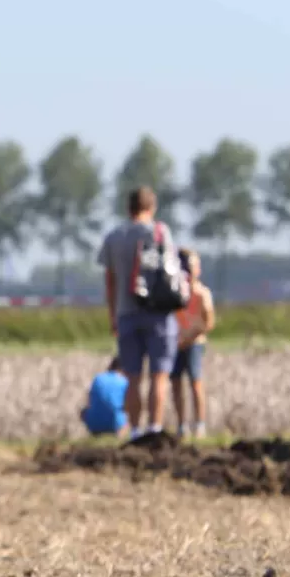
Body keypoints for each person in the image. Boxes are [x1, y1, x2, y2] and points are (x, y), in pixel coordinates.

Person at [97, 186, 181, 439]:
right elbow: (172, 271)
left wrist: (113, 314)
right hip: (158, 314)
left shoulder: (113, 236)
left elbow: (109, 281)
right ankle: (154, 430)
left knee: (133, 376)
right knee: (159, 375)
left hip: (125, 313)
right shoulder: (159, 232)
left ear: (128, 208)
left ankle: (134, 431)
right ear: (151, 207)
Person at [172, 247, 215, 438]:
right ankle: (181, 425)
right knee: (175, 382)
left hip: (194, 343)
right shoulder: (174, 293)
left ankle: (200, 425)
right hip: (176, 343)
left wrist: (190, 337)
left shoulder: (202, 293)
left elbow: (209, 322)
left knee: (195, 382)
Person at [81, 357, 130, 436]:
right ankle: (121, 435)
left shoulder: (98, 378)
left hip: (93, 422)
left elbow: (89, 400)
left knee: (85, 411)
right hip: (114, 423)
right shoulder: (124, 381)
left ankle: (95, 433)